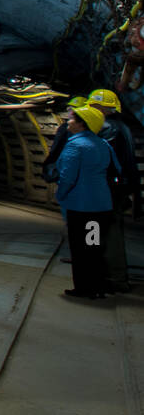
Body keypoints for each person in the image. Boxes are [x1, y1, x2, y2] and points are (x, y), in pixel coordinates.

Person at [55, 104, 118, 299]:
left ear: (83, 125)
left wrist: (61, 195)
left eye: (73, 120)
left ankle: (83, 288)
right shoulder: (103, 144)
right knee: (94, 246)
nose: (69, 122)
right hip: (101, 206)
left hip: (81, 207)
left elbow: (67, 177)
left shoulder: (75, 145)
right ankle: (97, 286)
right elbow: (116, 170)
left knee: (80, 249)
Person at [86, 88, 134, 293]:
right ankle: (116, 275)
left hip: (105, 189)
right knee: (112, 230)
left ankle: (107, 277)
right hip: (118, 187)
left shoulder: (106, 128)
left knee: (98, 230)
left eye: (94, 107)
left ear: (105, 109)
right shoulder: (123, 127)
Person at [41, 95, 87, 181]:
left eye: (73, 110)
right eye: (69, 109)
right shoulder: (65, 127)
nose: (70, 113)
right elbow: (56, 149)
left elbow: (58, 149)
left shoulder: (69, 128)